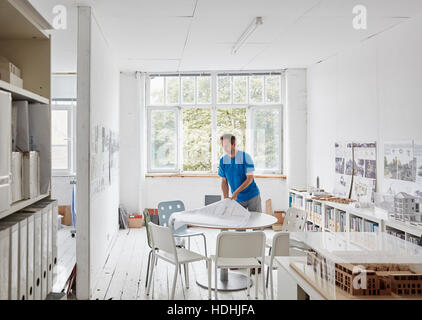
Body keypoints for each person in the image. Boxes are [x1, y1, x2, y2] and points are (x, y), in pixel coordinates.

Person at [218, 134, 262, 212]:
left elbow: (249, 179)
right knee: (237, 222)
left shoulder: (246, 157)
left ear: (234, 144)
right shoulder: (223, 161)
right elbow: (224, 181)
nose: (225, 148)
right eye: (223, 146)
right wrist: (226, 199)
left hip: (252, 196)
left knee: (256, 221)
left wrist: (236, 192)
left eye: (227, 146)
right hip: (237, 199)